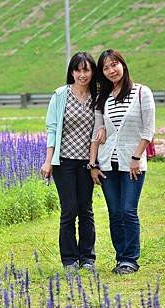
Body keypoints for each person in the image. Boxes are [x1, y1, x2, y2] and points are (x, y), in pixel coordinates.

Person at [89, 49, 155, 275]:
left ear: (123, 65)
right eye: (106, 68)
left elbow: (148, 130)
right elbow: (98, 132)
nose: (111, 70)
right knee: (115, 212)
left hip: (132, 163)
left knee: (128, 211)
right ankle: (120, 258)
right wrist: (93, 164)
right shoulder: (102, 98)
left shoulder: (141, 92)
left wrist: (136, 157)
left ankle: (130, 259)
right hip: (107, 163)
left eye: (114, 64)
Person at [40, 52, 98, 270]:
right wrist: (48, 161)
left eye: (86, 70)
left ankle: (87, 258)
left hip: (87, 162)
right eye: (78, 70)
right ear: (72, 72)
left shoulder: (98, 96)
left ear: (93, 71)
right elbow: (52, 129)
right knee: (69, 209)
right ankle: (69, 259)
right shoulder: (60, 95)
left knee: (86, 209)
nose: (82, 74)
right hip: (63, 162)